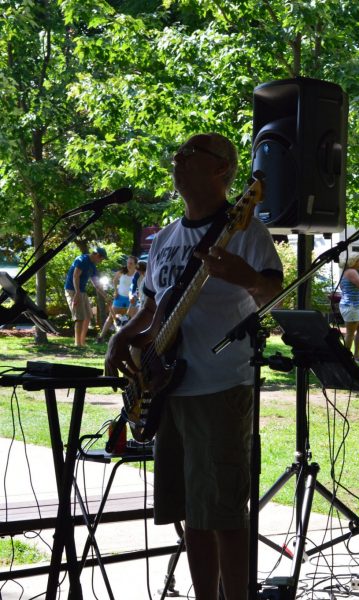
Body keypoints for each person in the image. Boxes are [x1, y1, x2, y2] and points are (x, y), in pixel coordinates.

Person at [105, 133, 283, 600]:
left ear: (223, 170)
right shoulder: (164, 237)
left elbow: (274, 296)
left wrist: (241, 275)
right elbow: (151, 308)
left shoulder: (246, 229)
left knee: (223, 512)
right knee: (189, 512)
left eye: (191, 154)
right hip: (167, 388)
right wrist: (123, 338)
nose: (178, 160)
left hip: (220, 387)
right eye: (178, 153)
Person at [64, 246, 108, 346]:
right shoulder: (82, 260)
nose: (101, 261)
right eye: (102, 258)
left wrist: (106, 297)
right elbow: (75, 276)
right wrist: (77, 293)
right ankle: (77, 344)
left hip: (81, 291)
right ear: (97, 255)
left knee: (87, 316)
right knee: (79, 317)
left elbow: (96, 284)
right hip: (72, 290)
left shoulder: (93, 266)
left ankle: (82, 342)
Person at [97, 255, 138, 341]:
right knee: (111, 317)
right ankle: (101, 337)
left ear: (135, 265)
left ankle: (129, 339)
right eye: (128, 263)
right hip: (119, 297)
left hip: (131, 300)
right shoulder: (122, 271)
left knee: (131, 319)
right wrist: (115, 291)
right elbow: (114, 280)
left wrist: (137, 295)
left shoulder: (137, 274)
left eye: (131, 263)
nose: (129, 265)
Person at [338, 251, 359, 361]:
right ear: (353, 262)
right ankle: (345, 358)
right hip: (351, 306)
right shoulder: (351, 272)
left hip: (352, 306)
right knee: (350, 333)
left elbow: (343, 287)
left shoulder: (348, 272)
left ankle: (356, 355)